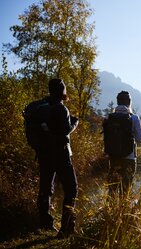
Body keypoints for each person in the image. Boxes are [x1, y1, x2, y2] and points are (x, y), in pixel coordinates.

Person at [36, 79, 79, 238]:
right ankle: (66, 228)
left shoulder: (41, 108)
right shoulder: (61, 108)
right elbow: (64, 131)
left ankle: (44, 223)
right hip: (61, 154)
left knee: (46, 188)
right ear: (62, 91)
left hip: (44, 154)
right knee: (72, 189)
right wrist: (74, 123)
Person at [105, 91, 141, 195]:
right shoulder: (134, 118)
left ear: (117, 102)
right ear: (129, 102)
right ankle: (123, 211)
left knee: (112, 191)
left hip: (113, 158)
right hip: (129, 158)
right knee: (125, 191)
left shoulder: (109, 117)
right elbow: (140, 139)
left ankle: (109, 211)